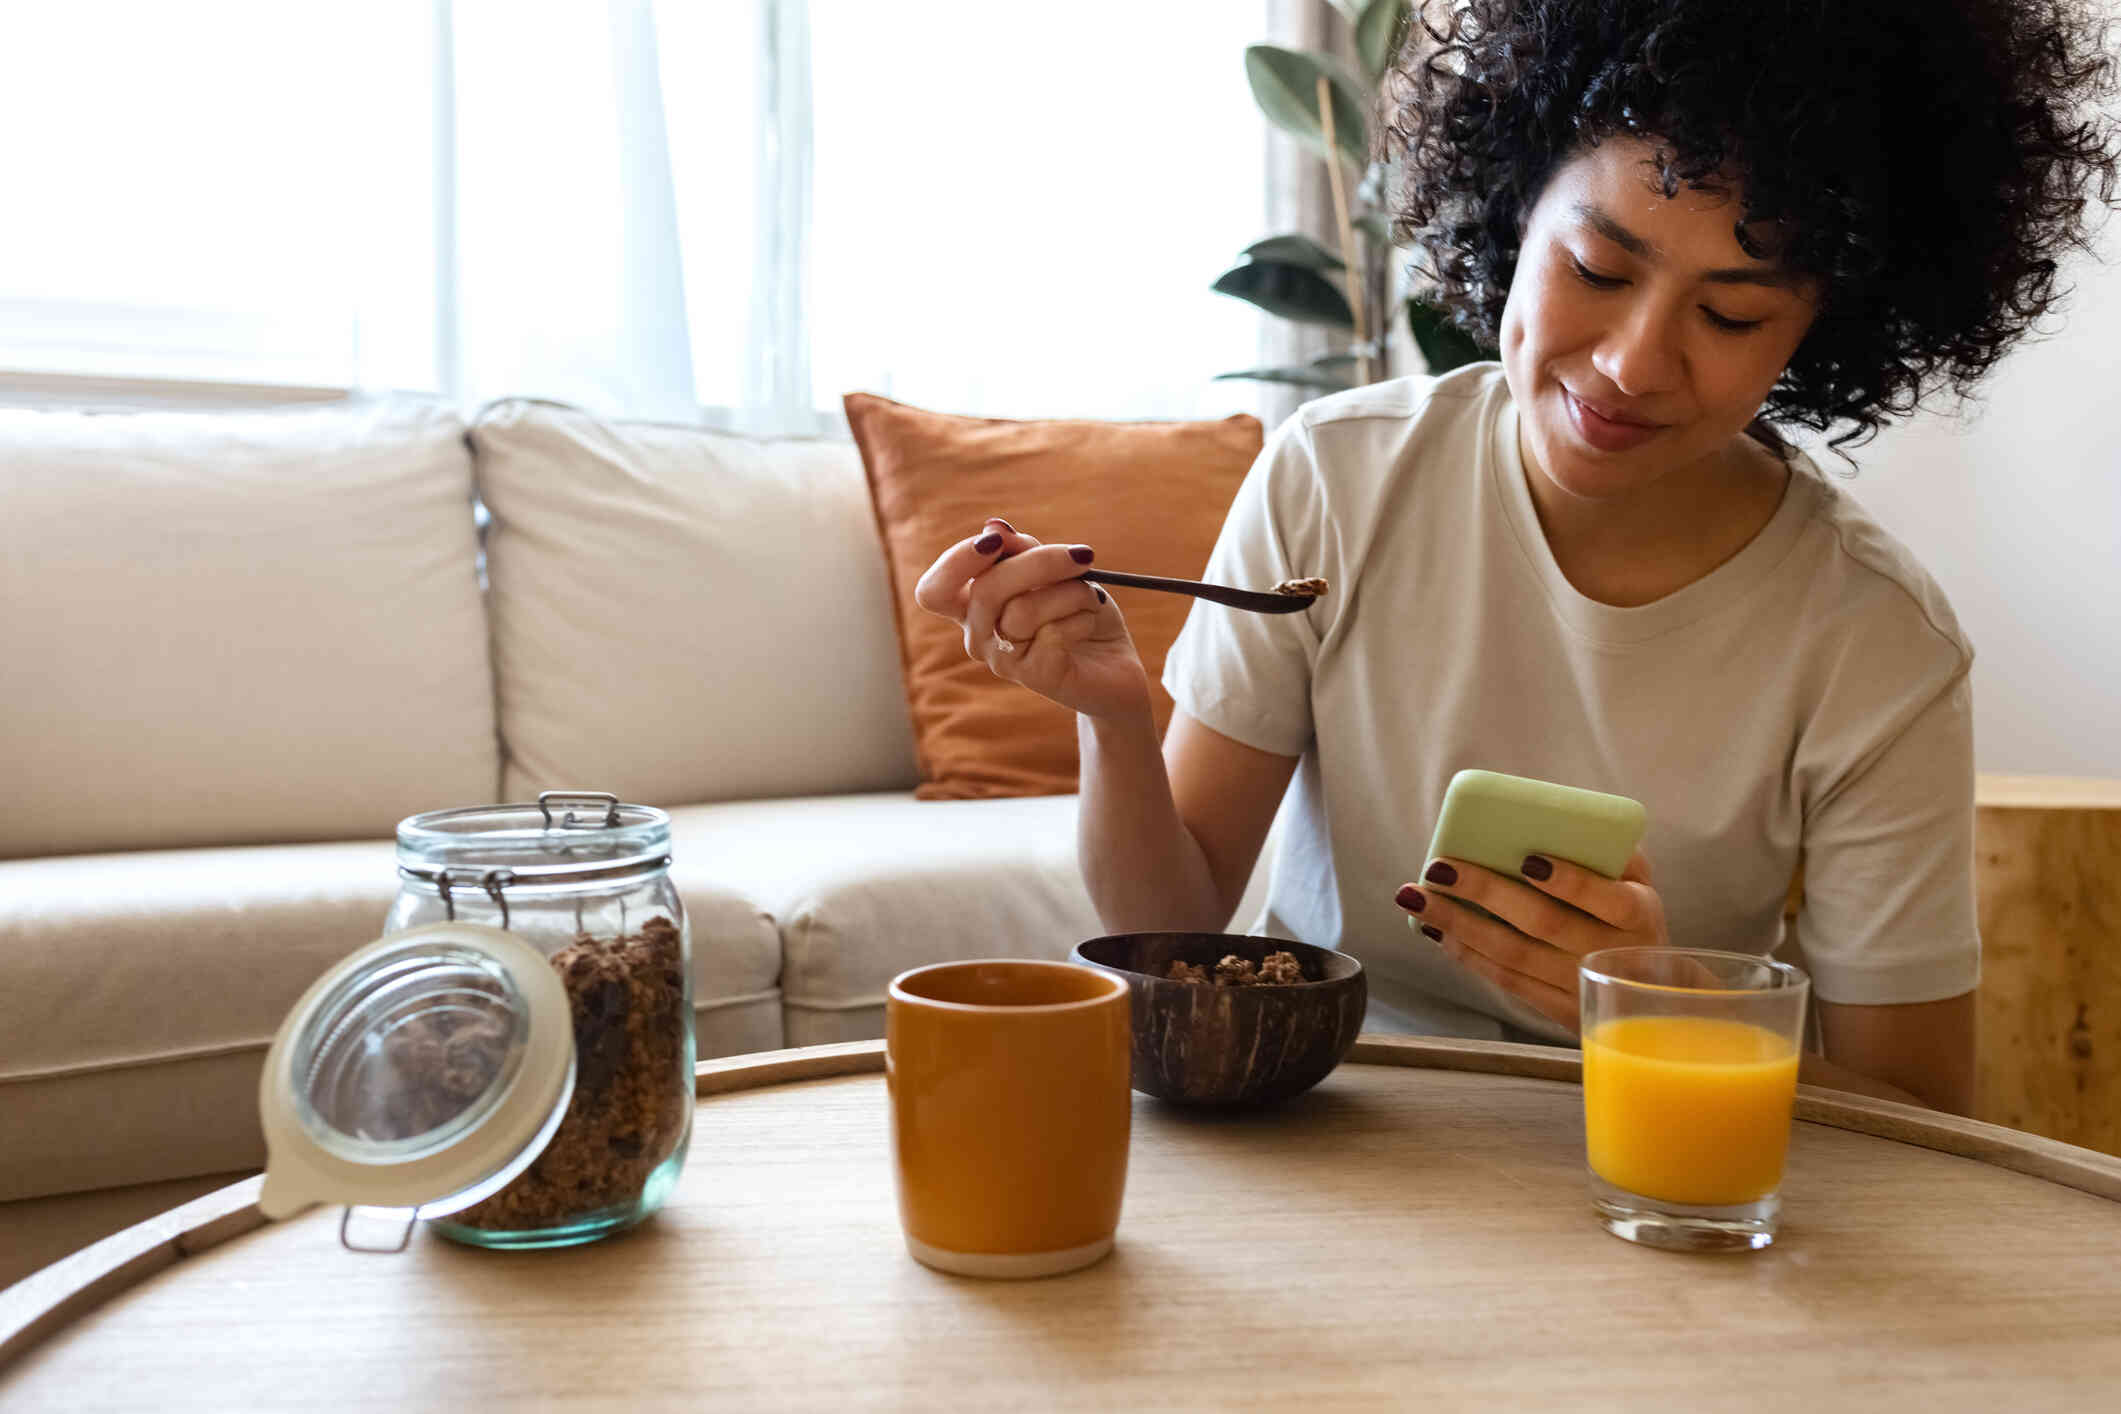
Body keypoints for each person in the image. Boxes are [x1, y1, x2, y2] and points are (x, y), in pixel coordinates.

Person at [913, 0, 2119, 1114]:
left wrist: (1655, 1003)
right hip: (1315, 1117)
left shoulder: (1873, 641)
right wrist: (1118, 723)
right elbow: (1168, 922)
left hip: (1645, 1167)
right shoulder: (1339, 476)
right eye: (1597, 269)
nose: (1635, 364)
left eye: (1733, 315)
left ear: (1824, 328)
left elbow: (1914, 1118)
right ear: (1512, 208)